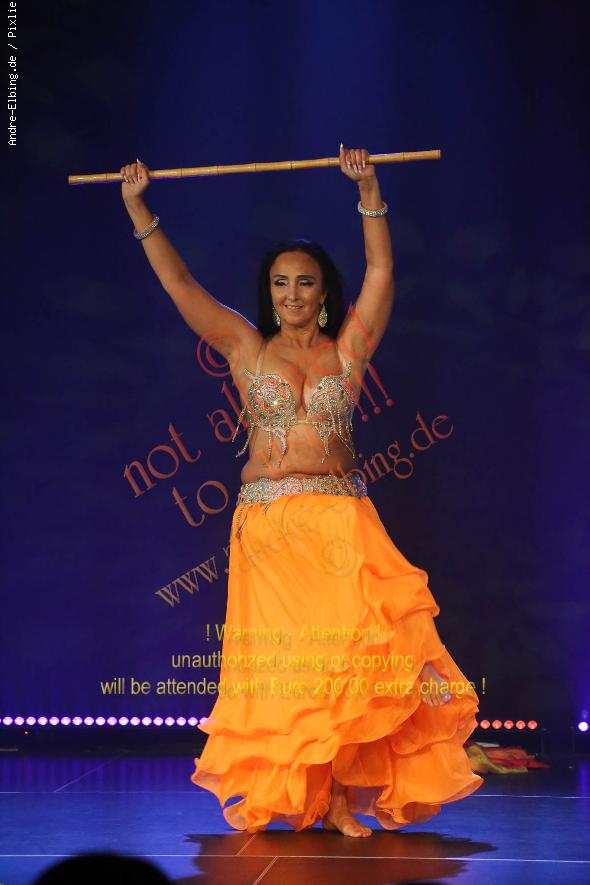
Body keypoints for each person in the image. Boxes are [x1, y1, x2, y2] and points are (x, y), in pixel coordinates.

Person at [120, 147, 483, 838]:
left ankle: (340, 799)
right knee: (291, 665)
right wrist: (140, 209)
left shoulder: (348, 351)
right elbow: (179, 283)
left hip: (340, 519)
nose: (291, 294)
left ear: (323, 293)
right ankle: (300, 790)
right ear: (271, 293)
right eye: (281, 283)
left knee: (346, 662)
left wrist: (368, 190)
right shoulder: (246, 348)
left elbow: (382, 271)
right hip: (268, 527)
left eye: (305, 283)